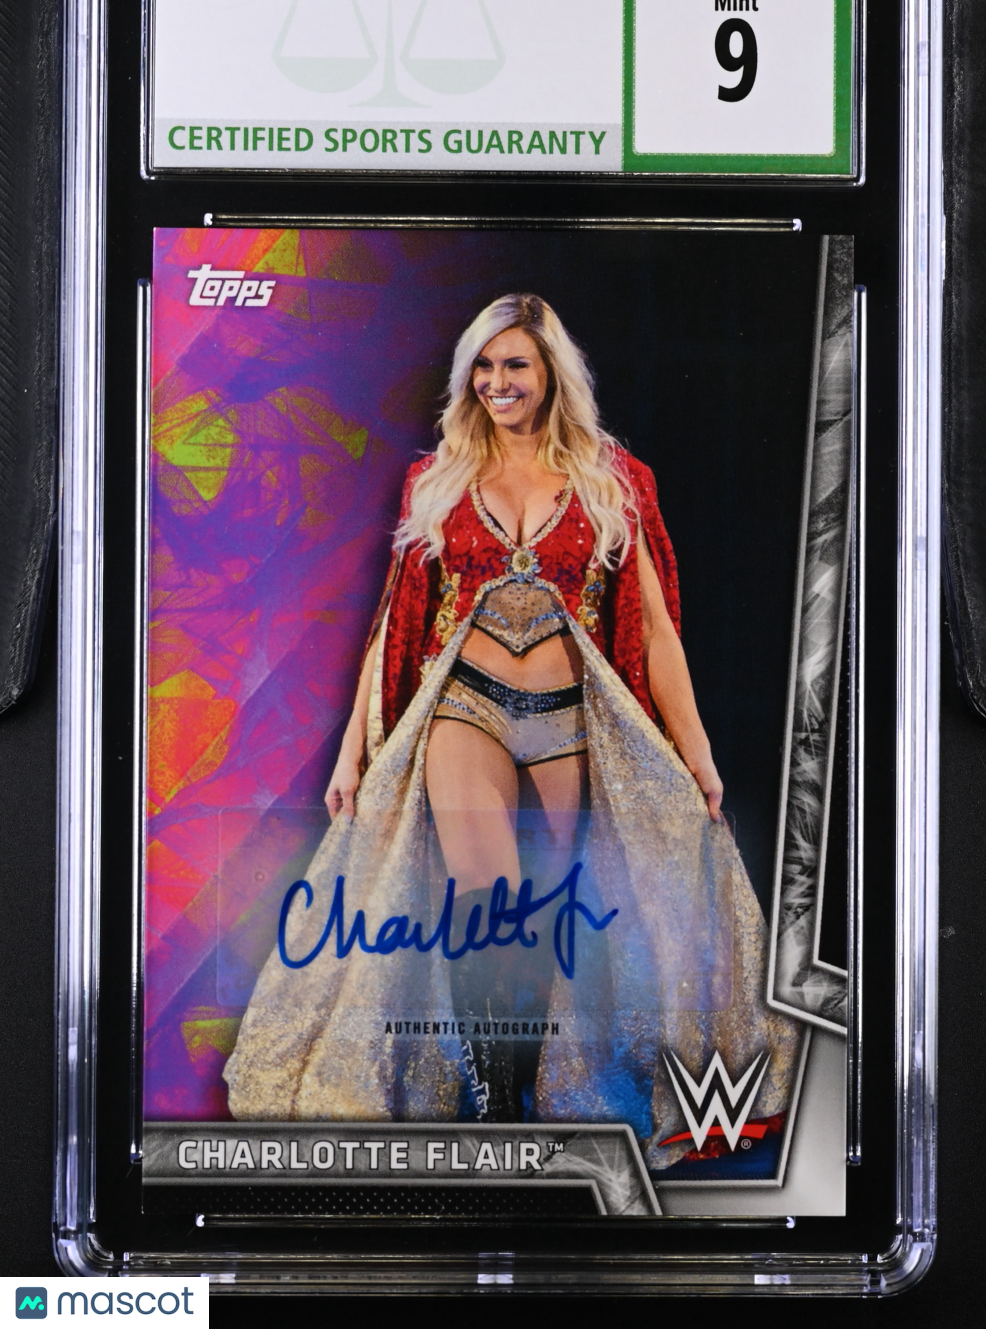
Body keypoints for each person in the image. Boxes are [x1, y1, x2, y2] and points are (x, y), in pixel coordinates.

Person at [224, 295, 798, 1156]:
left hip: (571, 720)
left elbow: (655, 629)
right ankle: (496, 1107)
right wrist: (351, 754)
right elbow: (393, 624)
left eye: (515, 365)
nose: (497, 383)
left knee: (549, 919)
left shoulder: (614, 479)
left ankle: (535, 1093)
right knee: (486, 906)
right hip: (467, 711)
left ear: (551, 373)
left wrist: (698, 755)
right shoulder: (438, 477)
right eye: (483, 368)